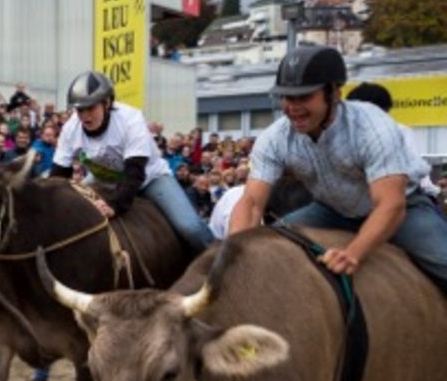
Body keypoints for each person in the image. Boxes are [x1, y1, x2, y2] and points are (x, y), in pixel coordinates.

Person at [231, 46, 446, 290]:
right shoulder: (274, 138)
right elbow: (251, 203)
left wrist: (354, 252)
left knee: (443, 261)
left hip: (404, 208)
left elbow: (391, 205)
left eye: (304, 97)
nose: (293, 107)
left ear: (334, 93)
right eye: (287, 98)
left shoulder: (373, 127)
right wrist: (230, 256)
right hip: (331, 210)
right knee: (272, 243)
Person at [50, 70, 212, 252]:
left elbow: (134, 172)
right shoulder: (71, 128)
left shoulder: (130, 119)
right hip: (103, 180)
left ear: (107, 103)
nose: (85, 115)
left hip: (149, 178)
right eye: (80, 109)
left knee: (190, 228)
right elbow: (58, 176)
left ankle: (221, 260)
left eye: (91, 108)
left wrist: (114, 205)